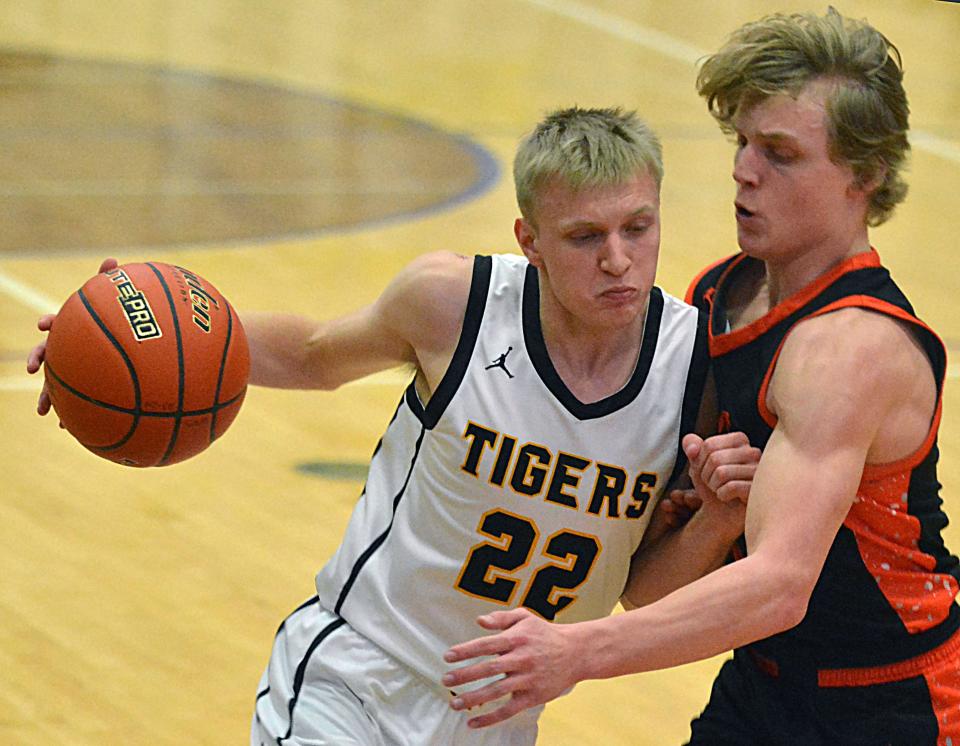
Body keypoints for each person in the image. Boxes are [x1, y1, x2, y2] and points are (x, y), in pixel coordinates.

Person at [26, 107, 757, 744]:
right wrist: (137, 343)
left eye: (639, 227)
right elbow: (313, 355)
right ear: (529, 239)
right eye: (584, 236)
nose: (618, 260)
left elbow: (638, 593)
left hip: (500, 718)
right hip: (356, 680)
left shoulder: (694, 368)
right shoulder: (454, 305)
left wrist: (715, 523)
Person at [443, 9, 960, 745]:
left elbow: (779, 586)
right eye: (743, 142)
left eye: (779, 153)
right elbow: (649, 585)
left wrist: (574, 653)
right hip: (765, 682)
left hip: (895, 701)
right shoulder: (718, 295)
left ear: (865, 176)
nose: (743, 170)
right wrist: (714, 515)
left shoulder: (851, 348)